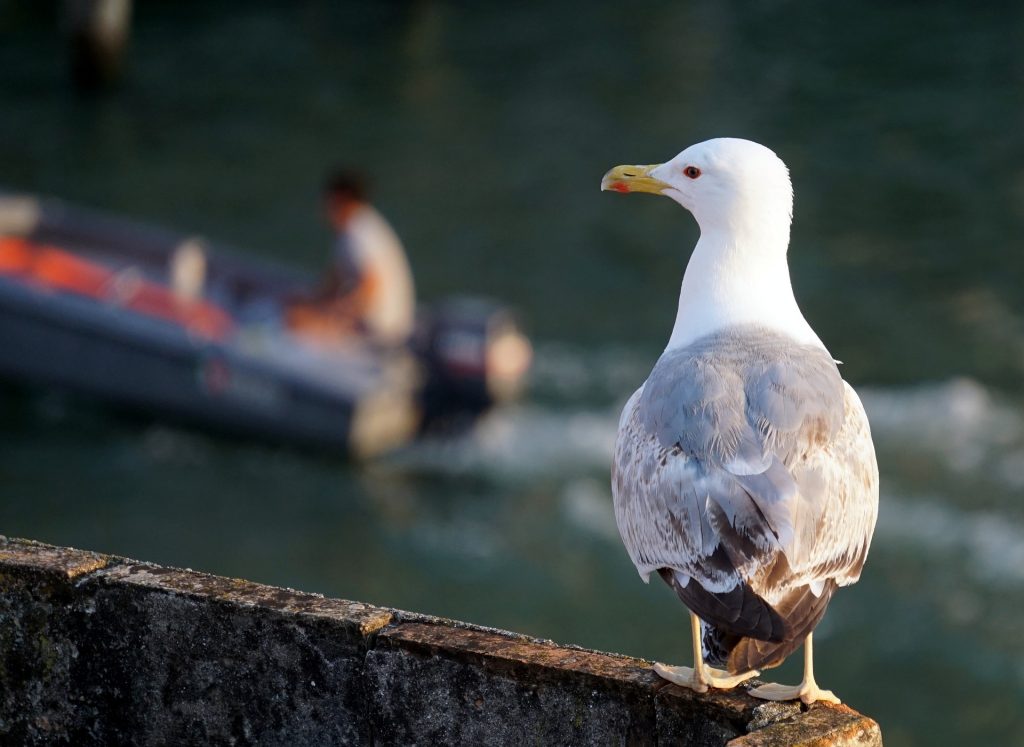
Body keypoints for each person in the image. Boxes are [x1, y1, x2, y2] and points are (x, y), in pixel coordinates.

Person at [290, 170, 416, 346]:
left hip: (382, 329)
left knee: (298, 324)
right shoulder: (357, 226)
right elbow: (333, 281)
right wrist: (315, 304)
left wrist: (330, 316)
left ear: (339, 198)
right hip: (385, 323)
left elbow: (370, 287)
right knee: (299, 311)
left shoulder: (358, 234)